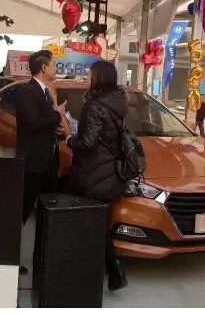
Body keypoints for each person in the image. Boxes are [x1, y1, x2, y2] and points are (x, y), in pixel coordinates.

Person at [65, 61, 129, 291]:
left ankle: (105, 271)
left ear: (98, 78)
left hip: (95, 173)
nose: (86, 79)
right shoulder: (118, 102)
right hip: (111, 171)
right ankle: (113, 271)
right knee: (99, 224)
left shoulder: (95, 106)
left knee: (91, 225)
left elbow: (87, 144)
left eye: (89, 75)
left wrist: (70, 140)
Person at [15, 50, 67, 274]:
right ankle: (10, 259)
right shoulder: (28, 92)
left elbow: (41, 124)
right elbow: (33, 123)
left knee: (49, 213)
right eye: (54, 64)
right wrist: (57, 114)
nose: (56, 68)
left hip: (48, 162)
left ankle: (45, 259)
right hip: (33, 164)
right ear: (44, 67)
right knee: (23, 212)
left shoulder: (46, 91)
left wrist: (55, 129)